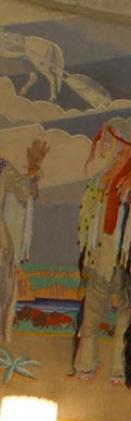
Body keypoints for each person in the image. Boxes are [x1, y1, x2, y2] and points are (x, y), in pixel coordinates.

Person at [71, 125, 131, 385]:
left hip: (103, 260)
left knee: (95, 314)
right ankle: (115, 370)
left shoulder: (104, 184)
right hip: (124, 263)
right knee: (124, 316)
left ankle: (86, 366)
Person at [0, 137, 46, 341]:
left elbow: (25, 191)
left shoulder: (3, 169)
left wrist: (33, 169)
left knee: (5, 289)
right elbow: (25, 190)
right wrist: (33, 169)